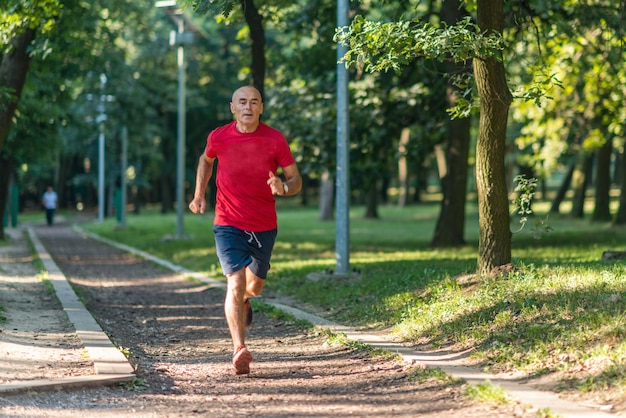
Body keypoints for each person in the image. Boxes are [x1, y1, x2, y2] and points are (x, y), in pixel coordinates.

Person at [188, 86, 302, 375]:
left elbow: (295, 179)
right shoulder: (219, 136)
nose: (248, 106)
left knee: (254, 287)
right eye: (242, 102)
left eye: (254, 102)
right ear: (232, 107)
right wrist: (199, 194)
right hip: (227, 221)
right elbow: (206, 159)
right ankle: (239, 348)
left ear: (261, 107)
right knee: (235, 282)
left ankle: (247, 300)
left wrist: (284, 187)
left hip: (263, 224)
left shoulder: (275, 139)